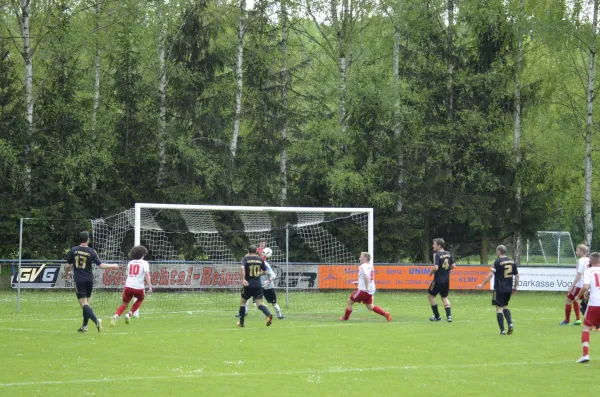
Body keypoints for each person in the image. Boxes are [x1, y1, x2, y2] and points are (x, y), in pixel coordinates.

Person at [65, 231, 119, 333]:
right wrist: (113, 265)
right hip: (89, 280)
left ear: (79, 239)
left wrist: (67, 274)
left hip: (79, 280)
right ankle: (85, 326)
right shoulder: (92, 251)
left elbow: (67, 265)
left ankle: (96, 320)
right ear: (88, 240)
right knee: (86, 304)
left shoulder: (73, 250)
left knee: (84, 305)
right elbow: (101, 266)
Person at [476, 245, 519, 335]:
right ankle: (510, 323)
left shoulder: (496, 261)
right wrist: (515, 287)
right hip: (508, 288)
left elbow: (491, 274)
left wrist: (482, 284)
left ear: (499, 252)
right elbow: (517, 275)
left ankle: (502, 330)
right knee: (505, 306)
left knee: (499, 308)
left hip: (499, 288)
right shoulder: (512, 261)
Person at [339, 252, 391, 322]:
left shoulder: (362, 266)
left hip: (364, 290)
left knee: (349, 302)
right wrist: (359, 282)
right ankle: (385, 314)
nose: (359, 258)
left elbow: (366, 277)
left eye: (361, 256)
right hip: (371, 290)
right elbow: (368, 277)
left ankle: (345, 318)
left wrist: (366, 288)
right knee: (370, 306)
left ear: (365, 258)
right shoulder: (370, 266)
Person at [110, 245, 152, 326]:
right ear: (143, 254)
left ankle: (116, 315)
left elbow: (128, 274)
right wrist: (150, 286)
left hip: (128, 286)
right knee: (140, 299)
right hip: (138, 287)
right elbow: (147, 274)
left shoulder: (130, 263)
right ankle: (129, 314)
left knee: (124, 304)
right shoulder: (144, 263)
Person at [237, 245, 273, 328]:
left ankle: (241, 323)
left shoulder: (245, 259)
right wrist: (258, 273)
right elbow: (265, 271)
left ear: (248, 251)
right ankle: (268, 314)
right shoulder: (260, 259)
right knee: (259, 303)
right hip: (258, 285)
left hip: (248, 285)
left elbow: (242, 268)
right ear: (256, 251)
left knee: (243, 302)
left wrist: (243, 279)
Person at [575, 252, 600, 363]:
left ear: (590, 262)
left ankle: (585, 355)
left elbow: (585, 286)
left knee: (586, 328)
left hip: (594, 303)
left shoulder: (588, 271)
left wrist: (579, 295)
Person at [560, 244, 589, 325]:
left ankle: (567, 321)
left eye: (577, 250)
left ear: (582, 251)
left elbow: (579, 275)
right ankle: (578, 319)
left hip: (579, 285)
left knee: (568, 300)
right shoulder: (589, 260)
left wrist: (572, 286)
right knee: (579, 301)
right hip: (587, 285)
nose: (576, 251)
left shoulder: (580, 261)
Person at [428, 238, 455, 322]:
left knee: (430, 296)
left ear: (439, 245)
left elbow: (436, 267)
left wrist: (431, 273)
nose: (433, 245)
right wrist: (446, 270)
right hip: (446, 280)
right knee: (444, 297)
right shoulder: (448, 253)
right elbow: (454, 266)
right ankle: (449, 316)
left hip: (438, 280)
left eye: (434, 244)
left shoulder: (437, 254)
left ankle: (437, 316)